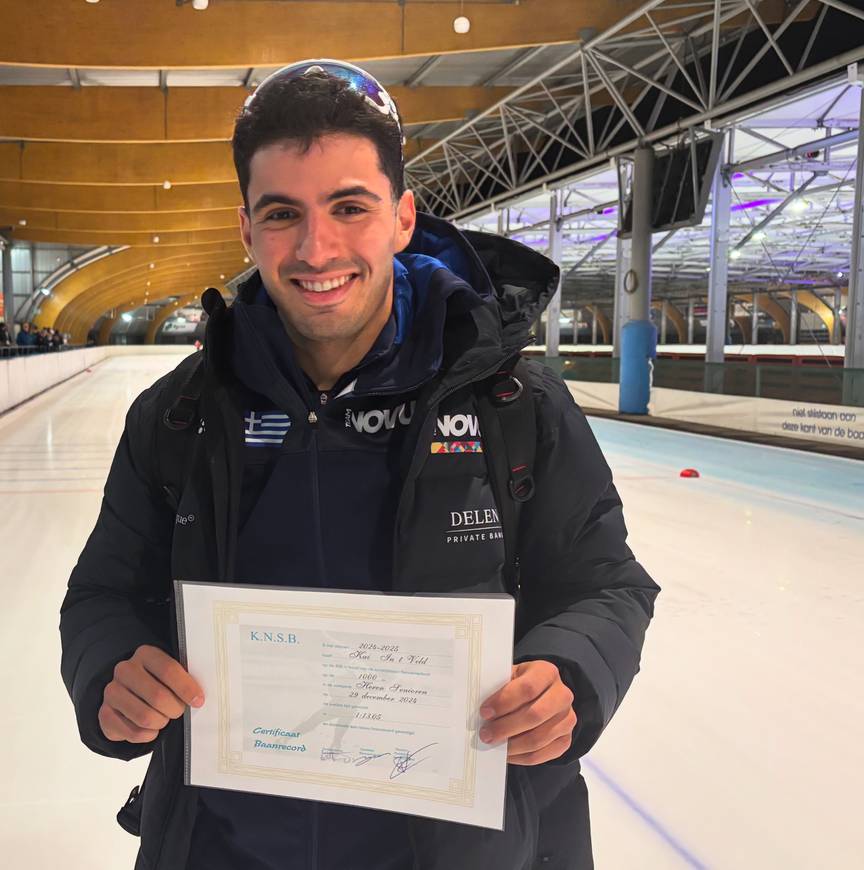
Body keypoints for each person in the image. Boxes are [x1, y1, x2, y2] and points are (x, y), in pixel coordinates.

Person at [60, 60, 659, 870]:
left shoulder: (512, 403)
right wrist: (110, 674)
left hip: (462, 848)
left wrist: (572, 675)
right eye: (282, 214)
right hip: (227, 847)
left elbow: (605, 585)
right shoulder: (182, 415)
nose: (317, 247)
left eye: (350, 206)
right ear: (246, 230)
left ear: (403, 218)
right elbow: (103, 592)